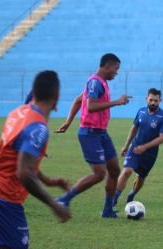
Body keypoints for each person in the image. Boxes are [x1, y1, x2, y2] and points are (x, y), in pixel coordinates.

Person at [0, 70, 71, 249]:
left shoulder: (17, 113)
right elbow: (24, 172)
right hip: (5, 198)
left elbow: (20, 160)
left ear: (33, 93)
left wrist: (49, 181)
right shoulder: (38, 129)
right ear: (57, 97)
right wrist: (54, 204)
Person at [55, 53, 131, 218]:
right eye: (116, 69)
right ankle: (64, 199)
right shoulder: (95, 82)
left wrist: (68, 122)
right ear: (107, 66)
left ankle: (107, 210)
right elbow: (90, 106)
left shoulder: (99, 83)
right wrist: (117, 102)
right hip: (90, 133)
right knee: (99, 174)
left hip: (101, 133)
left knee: (114, 169)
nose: (116, 73)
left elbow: (78, 101)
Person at [113, 88, 163, 206]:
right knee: (126, 171)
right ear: (146, 99)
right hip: (135, 148)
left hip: (150, 154)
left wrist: (145, 147)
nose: (153, 103)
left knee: (141, 178)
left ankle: (132, 194)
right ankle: (113, 200)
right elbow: (134, 128)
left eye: (156, 100)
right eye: (151, 100)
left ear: (160, 100)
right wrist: (126, 145)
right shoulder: (141, 111)